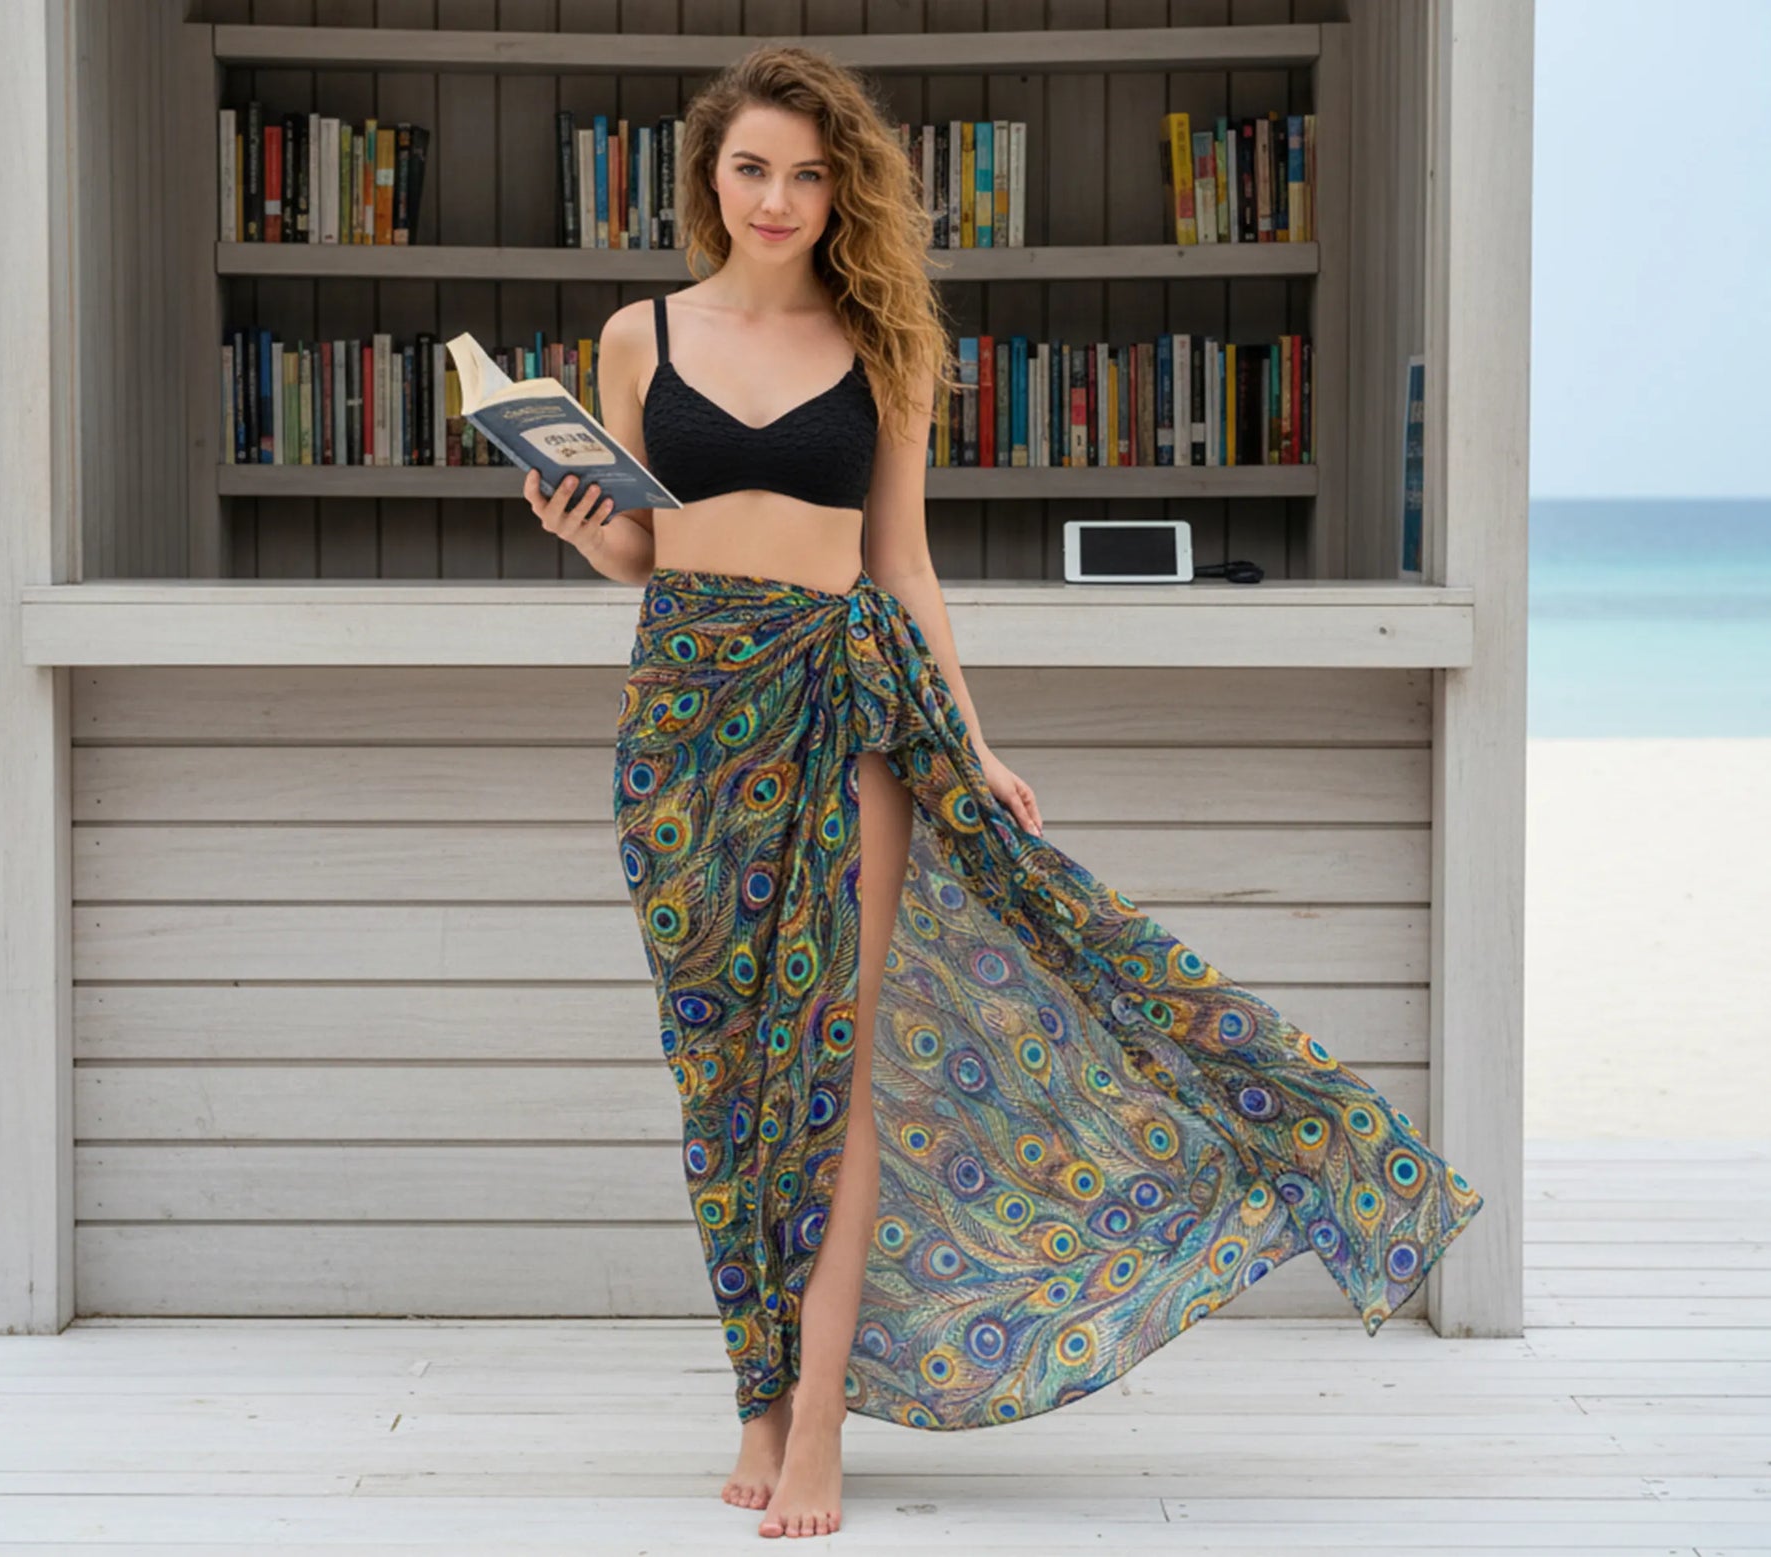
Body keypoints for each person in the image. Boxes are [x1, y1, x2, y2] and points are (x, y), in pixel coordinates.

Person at [522, 43, 1484, 1543]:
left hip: (851, 704)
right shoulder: (638, 337)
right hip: (682, 716)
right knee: (720, 1074)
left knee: (833, 1076)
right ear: (708, 179)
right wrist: (587, 536)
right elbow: (652, 552)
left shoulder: (883, 335)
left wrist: (969, 739)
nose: (778, 196)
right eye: (751, 167)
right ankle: (757, 1398)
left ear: (843, 185)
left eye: (809, 170)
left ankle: (821, 1425)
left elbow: (902, 563)